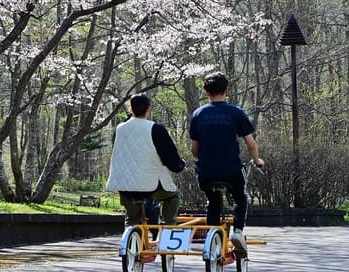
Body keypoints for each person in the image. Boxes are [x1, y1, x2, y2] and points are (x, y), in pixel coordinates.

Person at [190, 72, 264, 253]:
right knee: (240, 197)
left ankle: (212, 237)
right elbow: (251, 144)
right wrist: (257, 160)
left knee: (213, 202)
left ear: (206, 92)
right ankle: (238, 230)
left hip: (206, 172)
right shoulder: (236, 113)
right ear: (227, 90)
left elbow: (194, 149)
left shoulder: (198, 114)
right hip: (231, 169)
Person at [106, 94, 186, 227]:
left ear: (130, 109)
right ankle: (168, 228)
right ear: (149, 109)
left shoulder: (119, 129)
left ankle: (130, 240)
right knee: (173, 196)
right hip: (150, 186)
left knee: (132, 218)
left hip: (125, 186)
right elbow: (170, 156)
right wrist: (179, 165)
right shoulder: (156, 129)